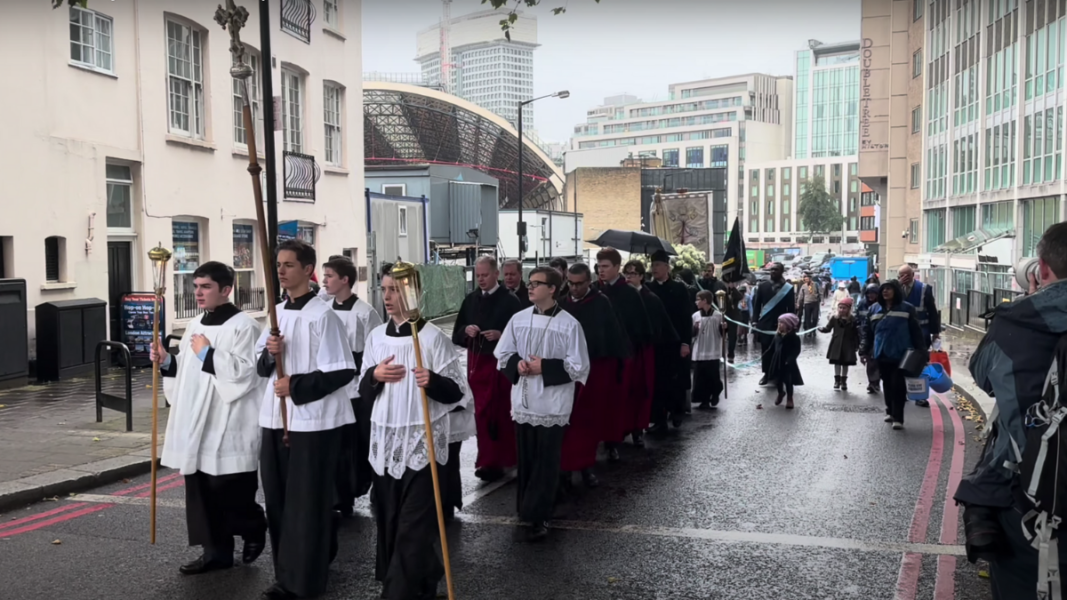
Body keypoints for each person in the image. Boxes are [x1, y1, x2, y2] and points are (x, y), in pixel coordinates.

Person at [952, 223, 1067, 599]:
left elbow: (985, 376)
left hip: (1031, 501)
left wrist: (1033, 301)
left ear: (1043, 269)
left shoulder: (1019, 320)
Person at [359, 263, 472, 600]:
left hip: (422, 444)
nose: (388, 296)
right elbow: (362, 390)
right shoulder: (376, 337)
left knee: (413, 523)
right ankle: (425, 574)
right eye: (384, 289)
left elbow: (458, 393)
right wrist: (375, 376)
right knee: (390, 519)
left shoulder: (432, 338)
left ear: (414, 293)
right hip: (385, 442)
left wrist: (433, 381)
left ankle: (397, 592)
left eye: (395, 290)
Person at [256, 240, 357, 600]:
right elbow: (260, 367)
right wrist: (271, 354)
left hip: (313, 423)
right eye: (278, 265)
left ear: (307, 270)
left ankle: (303, 583)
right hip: (275, 419)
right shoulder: (275, 313)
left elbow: (342, 370)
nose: (281, 271)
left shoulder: (323, 316)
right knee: (278, 501)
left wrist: (295, 385)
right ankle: (286, 573)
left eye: (289, 265)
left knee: (306, 504)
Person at [156, 261, 267, 576]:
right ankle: (216, 553)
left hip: (228, 419)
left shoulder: (245, 326)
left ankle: (253, 525)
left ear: (226, 289)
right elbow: (187, 369)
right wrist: (167, 361)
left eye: (206, 287)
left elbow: (247, 373)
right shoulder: (196, 323)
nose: (198, 292)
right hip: (197, 418)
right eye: (196, 286)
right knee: (201, 487)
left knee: (230, 486)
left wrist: (208, 354)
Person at [495, 266, 590, 541]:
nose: (530, 287)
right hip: (524, 401)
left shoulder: (569, 324)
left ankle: (540, 515)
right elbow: (503, 353)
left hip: (552, 403)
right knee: (526, 459)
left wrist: (544, 367)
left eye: (537, 283)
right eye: (530, 282)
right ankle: (526, 509)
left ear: (552, 289)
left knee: (546, 462)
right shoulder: (518, 319)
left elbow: (580, 366)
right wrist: (518, 364)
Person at [321, 255, 383, 517]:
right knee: (335, 445)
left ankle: (366, 488)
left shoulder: (365, 313)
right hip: (330, 388)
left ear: (345, 280)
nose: (324, 281)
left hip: (356, 388)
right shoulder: (324, 309)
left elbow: (376, 350)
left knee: (358, 443)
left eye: (329, 276)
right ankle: (338, 495)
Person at [451, 256, 522, 482]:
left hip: (499, 365)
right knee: (480, 414)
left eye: (485, 275)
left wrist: (501, 335)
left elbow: (521, 335)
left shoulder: (510, 301)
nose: (481, 279)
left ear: (495, 274)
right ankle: (485, 460)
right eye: (478, 275)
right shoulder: (471, 299)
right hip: (476, 364)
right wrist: (466, 330)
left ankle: (501, 460)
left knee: (499, 413)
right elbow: (457, 333)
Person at [560, 263, 629, 488]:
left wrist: (615, 367)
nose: (574, 288)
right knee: (565, 419)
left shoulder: (601, 303)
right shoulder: (561, 304)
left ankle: (585, 466)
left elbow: (613, 336)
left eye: (579, 284)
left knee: (587, 420)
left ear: (589, 282)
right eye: (571, 283)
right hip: (564, 371)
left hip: (593, 369)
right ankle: (565, 468)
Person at [595, 248, 653, 457]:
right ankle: (609, 440)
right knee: (606, 399)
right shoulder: (596, 291)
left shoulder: (629, 292)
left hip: (627, 353)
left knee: (630, 394)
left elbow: (640, 324)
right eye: (599, 266)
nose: (601, 270)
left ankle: (634, 431)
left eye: (605, 266)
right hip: (604, 353)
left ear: (617, 267)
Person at [859, 280, 926, 431]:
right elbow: (867, 332)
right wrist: (863, 350)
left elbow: (916, 332)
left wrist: (922, 351)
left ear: (896, 291)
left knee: (898, 384)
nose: (885, 291)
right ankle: (889, 410)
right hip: (881, 353)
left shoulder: (907, 309)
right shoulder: (874, 309)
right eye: (883, 289)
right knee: (887, 383)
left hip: (902, 353)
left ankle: (898, 417)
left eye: (889, 289)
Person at [623, 260, 680, 436]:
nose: (629, 277)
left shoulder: (650, 298)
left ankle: (659, 420)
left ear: (641, 276)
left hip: (653, 349)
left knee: (656, 387)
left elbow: (659, 327)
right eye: (626, 274)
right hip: (631, 350)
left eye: (633, 274)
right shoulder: (623, 296)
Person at [646, 250, 694, 431]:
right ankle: (659, 419)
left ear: (667, 267)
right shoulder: (648, 289)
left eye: (658, 265)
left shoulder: (679, 288)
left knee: (676, 379)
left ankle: (677, 412)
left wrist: (685, 343)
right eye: (653, 265)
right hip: (656, 342)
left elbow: (686, 317)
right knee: (657, 381)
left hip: (675, 341)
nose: (654, 268)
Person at [897, 264, 941, 408]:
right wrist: (897, 286)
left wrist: (935, 332)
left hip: (921, 333)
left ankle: (920, 397)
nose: (904, 278)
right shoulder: (895, 289)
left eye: (907, 275)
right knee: (901, 364)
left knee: (919, 365)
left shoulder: (924, 289)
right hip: (901, 334)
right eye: (901, 275)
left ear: (912, 275)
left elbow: (932, 311)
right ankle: (902, 393)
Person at [750, 263, 796, 385]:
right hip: (765, 324)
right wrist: (754, 321)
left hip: (782, 325)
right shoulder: (762, 286)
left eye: (776, 269)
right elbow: (757, 306)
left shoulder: (788, 288)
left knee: (781, 350)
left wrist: (792, 325)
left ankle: (779, 374)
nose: (773, 271)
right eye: (772, 269)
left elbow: (791, 309)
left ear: (782, 271)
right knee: (766, 350)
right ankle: (766, 374)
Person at [691, 290, 725, 410]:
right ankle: (704, 399)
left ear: (705, 301)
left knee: (712, 375)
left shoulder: (718, 316)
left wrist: (724, 328)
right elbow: (692, 334)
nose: (696, 302)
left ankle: (715, 393)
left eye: (698, 299)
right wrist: (694, 329)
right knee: (700, 377)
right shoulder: (695, 316)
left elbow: (723, 334)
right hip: (700, 350)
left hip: (712, 349)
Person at [818, 297, 860, 391]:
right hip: (836, 344)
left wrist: (856, 345)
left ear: (849, 309)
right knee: (837, 363)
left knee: (845, 363)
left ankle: (844, 381)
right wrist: (822, 329)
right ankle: (837, 381)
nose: (841, 310)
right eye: (840, 307)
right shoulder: (834, 318)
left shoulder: (852, 319)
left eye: (844, 308)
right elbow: (828, 328)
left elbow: (856, 333)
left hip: (848, 345)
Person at [770, 313, 803, 409]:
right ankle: (780, 393)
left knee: (789, 381)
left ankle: (789, 398)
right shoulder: (777, 336)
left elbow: (796, 350)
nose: (779, 325)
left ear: (789, 325)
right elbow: (771, 348)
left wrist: (790, 359)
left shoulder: (794, 337)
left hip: (788, 363)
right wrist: (765, 356)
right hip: (777, 361)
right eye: (779, 323)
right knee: (777, 380)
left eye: (782, 323)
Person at [855, 284, 883, 394]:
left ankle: (876, 382)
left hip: (878, 336)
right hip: (865, 335)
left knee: (877, 361)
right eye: (869, 293)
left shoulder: (881, 305)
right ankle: (872, 383)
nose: (870, 296)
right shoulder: (862, 303)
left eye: (873, 293)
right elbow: (857, 317)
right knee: (870, 361)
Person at [796, 273, 821, 338]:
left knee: (815, 318)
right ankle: (809, 331)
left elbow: (820, 292)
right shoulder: (803, 286)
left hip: (815, 303)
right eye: (805, 279)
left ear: (810, 279)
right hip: (807, 303)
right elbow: (800, 295)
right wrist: (798, 303)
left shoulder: (815, 284)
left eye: (807, 279)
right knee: (807, 318)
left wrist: (822, 300)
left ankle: (814, 330)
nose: (806, 280)